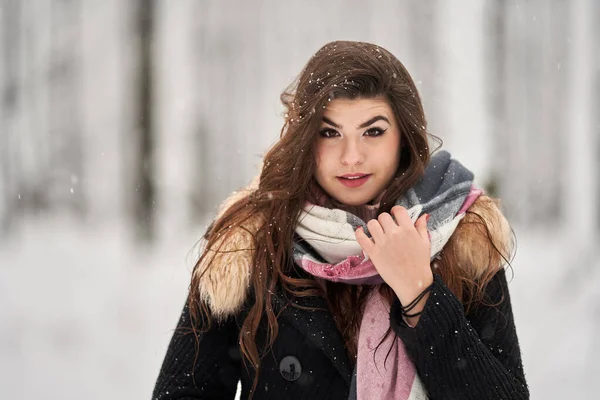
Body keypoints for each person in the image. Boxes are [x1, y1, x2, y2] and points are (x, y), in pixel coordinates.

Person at [152, 40, 529, 400]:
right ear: (304, 139)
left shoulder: (461, 234)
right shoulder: (250, 240)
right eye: (329, 132)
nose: (351, 156)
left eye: (373, 131)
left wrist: (420, 295)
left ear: (403, 137)